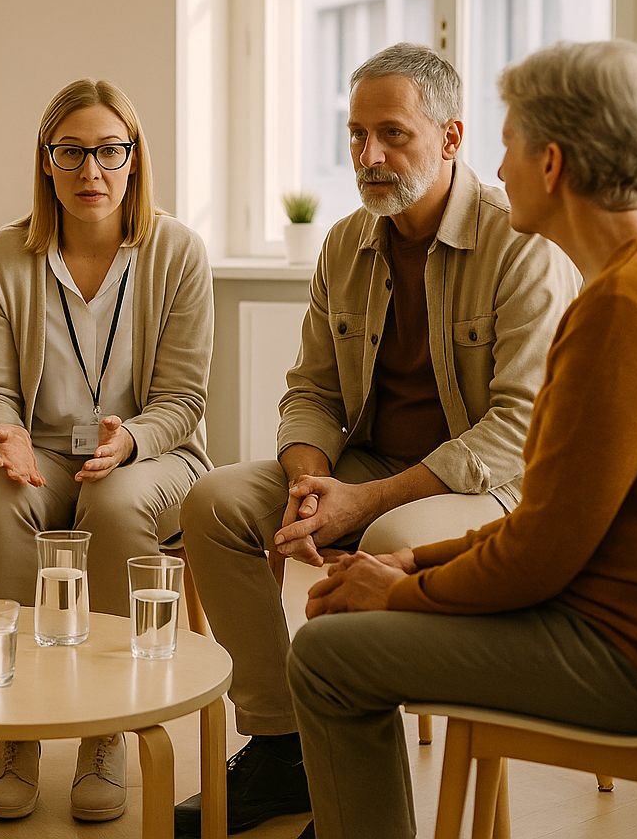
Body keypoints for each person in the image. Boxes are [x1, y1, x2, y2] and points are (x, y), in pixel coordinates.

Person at [287, 39, 637, 839]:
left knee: (326, 658)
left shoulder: (622, 312)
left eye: (510, 138)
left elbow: (539, 558)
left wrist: (398, 590)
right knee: (356, 611)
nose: (498, 159)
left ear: (553, 163)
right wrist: (413, 559)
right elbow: (552, 527)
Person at [175, 42, 578, 835]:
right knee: (215, 501)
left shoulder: (522, 242)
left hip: (485, 485)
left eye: (393, 134)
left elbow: (521, 426)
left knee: (387, 533)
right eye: (357, 134)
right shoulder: (344, 243)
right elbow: (312, 389)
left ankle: (354, 795)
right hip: (361, 465)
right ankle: (284, 743)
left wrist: (365, 498)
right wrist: (310, 480)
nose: (369, 155)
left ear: (452, 137)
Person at [0, 78, 213, 823]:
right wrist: (4, 434)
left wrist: (131, 440)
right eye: (71, 153)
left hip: (153, 453)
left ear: (134, 160)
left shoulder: (178, 253)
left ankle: (106, 730)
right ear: (46, 162)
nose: (90, 172)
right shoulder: (7, 255)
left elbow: (185, 401)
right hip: (41, 452)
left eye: (108, 152)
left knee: (116, 500)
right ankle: (16, 730)